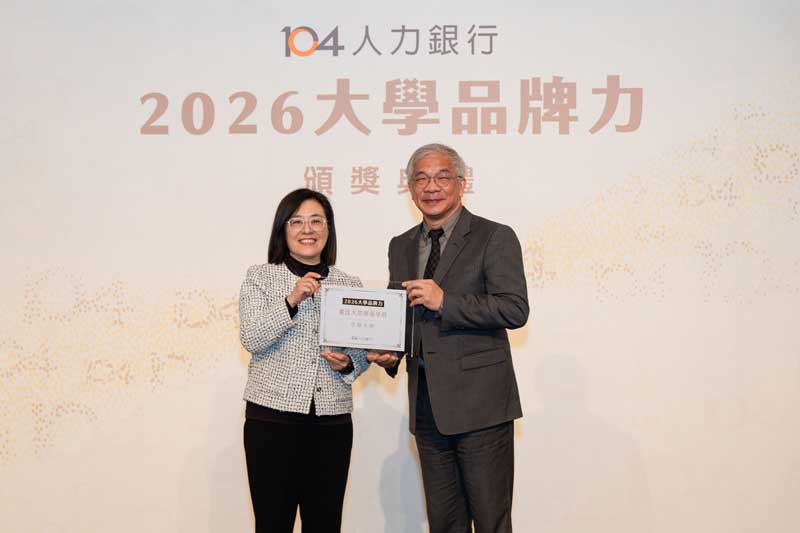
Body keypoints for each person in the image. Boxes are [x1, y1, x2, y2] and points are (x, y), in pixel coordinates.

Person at [368, 144, 529, 533]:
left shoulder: (494, 236)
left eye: (442, 177)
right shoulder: (401, 244)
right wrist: (390, 352)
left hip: (481, 407)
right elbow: (403, 315)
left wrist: (446, 302)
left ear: (461, 182)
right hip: (427, 407)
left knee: (490, 521)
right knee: (444, 523)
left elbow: (514, 309)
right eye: (421, 178)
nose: (431, 187)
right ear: (410, 187)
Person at [239, 188, 369, 533]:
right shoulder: (260, 277)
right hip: (271, 421)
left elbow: (361, 354)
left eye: (316, 221)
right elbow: (251, 337)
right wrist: (292, 299)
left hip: (331, 424)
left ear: (328, 229)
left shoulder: (348, 284)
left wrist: (349, 364)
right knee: (272, 523)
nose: (307, 230)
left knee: (325, 524)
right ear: (282, 230)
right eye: (296, 222)